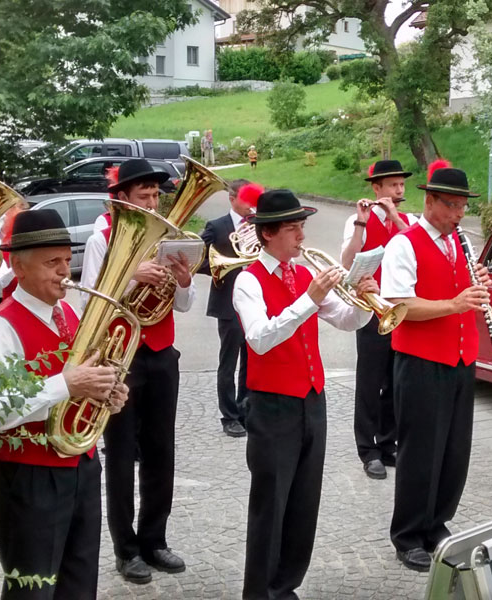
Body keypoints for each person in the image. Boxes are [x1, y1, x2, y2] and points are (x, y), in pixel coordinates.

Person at [0, 209, 127, 600]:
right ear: (18, 267)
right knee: (33, 590)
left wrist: (107, 394)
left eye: (64, 260)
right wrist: (66, 384)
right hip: (27, 476)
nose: (63, 272)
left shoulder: (70, 314)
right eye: (51, 262)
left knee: (79, 581)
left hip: (82, 467)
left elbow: (84, 384)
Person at [233, 189, 375, 600]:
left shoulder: (300, 274)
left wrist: (365, 303)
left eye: (301, 227)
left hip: (312, 399)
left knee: (303, 502)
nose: (301, 236)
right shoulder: (248, 281)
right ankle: (259, 592)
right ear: (269, 234)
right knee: (270, 507)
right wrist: (307, 301)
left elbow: (347, 320)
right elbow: (259, 339)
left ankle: (286, 586)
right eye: (293, 228)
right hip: (272, 404)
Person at [80, 158, 194, 585]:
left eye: (155, 195)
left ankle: (155, 539)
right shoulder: (101, 237)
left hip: (161, 353)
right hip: (119, 357)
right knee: (122, 453)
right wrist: (130, 275)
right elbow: (93, 299)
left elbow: (183, 305)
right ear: (123, 198)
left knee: (162, 452)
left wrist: (182, 280)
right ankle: (125, 549)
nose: (152, 201)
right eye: (143, 195)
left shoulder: (169, 238)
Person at [381, 162, 487, 572]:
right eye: (452, 205)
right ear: (429, 202)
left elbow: (463, 292)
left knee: (454, 450)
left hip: (461, 357)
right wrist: (455, 303)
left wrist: (474, 291)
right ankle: (407, 534)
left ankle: (437, 522)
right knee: (420, 451)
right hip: (421, 361)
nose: (460, 214)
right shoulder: (404, 245)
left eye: (463, 206)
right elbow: (400, 305)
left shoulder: (459, 242)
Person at [340, 159, 413, 480]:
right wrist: (361, 222)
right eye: (393, 186)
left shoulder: (408, 220)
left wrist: (395, 216)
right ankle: (367, 450)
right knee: (369, 385)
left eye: (401, 185)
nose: (399, 190)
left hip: (401, 312)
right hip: (371, 312)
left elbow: (418, 248)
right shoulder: (358, 220)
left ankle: (388, 443)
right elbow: (346, 260)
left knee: (395, 385)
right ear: (376, 188)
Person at [198, 179, 260, 437]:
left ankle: (246, 408)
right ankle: (229, 415)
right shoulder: (217, 226)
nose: (251, 205)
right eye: (246, 199)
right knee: (229, 361)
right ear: (232, 198)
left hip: (255, 301)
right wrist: (220, 269)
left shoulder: (257, 225)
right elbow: (199, 259)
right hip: (229, 302)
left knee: (252, 358)